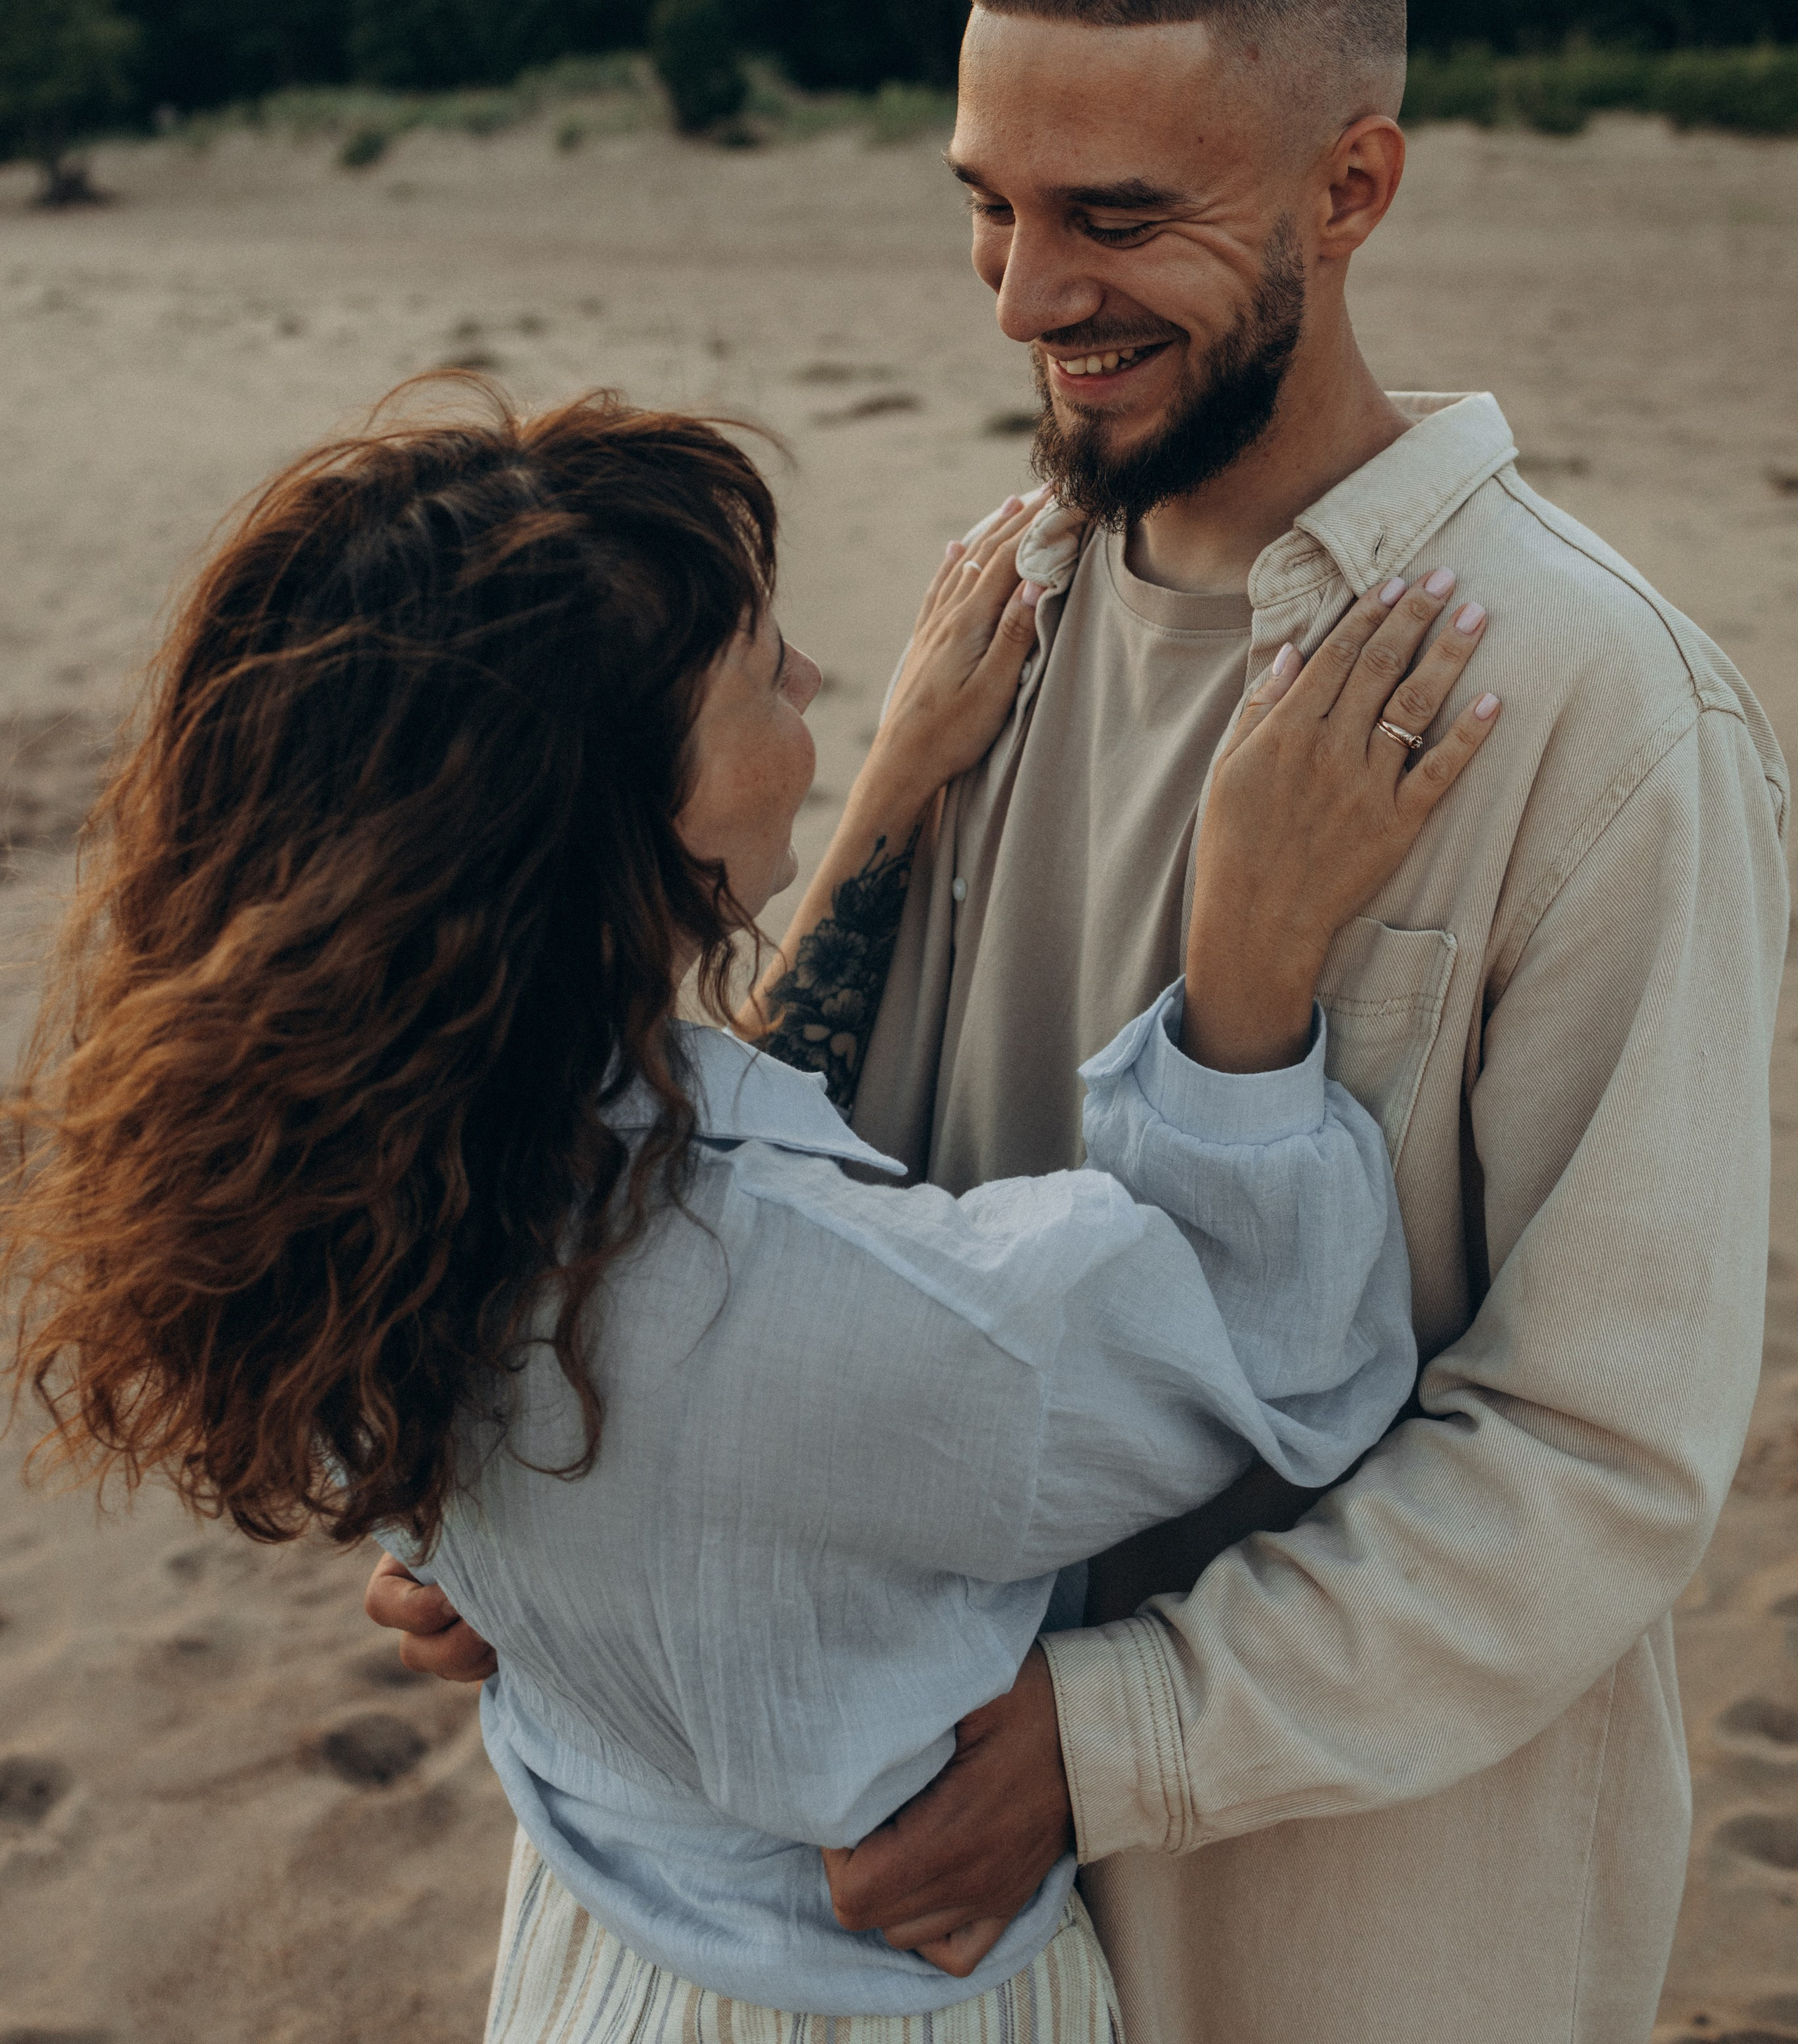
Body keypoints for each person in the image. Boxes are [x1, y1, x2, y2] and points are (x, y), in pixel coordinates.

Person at [368, 0, 1791, 2044]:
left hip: (1334, 1932)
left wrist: (1109, 1735)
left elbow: (1601, 1455)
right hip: (895, 1949)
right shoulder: (994, 597)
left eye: (1118, 219)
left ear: (1352, 187)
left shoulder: (1596, 717)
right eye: (993, 210)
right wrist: (586, 1488)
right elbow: (790, 1201)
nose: (1031, 297)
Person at [3, 390, 1504, 2041]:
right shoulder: (812, 1302)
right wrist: (1249, 954)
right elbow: (1244, 1340)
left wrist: (878, 797)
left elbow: (672, 1152)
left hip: (591, 1952)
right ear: (604, 823)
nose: (809, 681)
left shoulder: (373, 1175)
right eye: (752, 672)